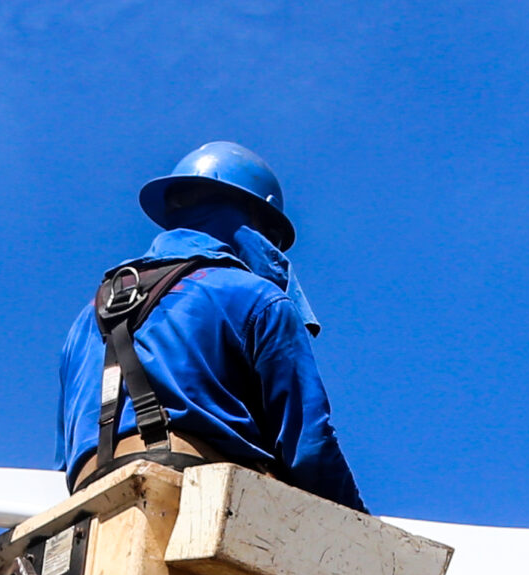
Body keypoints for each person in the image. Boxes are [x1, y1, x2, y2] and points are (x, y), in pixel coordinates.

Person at [57, 141, 364, 511]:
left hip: (89, 514)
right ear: (255, 222)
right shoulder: (254, 296)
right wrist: (367, 536)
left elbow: (66, 457)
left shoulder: (89, 316)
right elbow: (310, 446)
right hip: (193, 501)